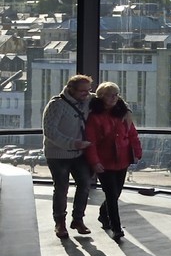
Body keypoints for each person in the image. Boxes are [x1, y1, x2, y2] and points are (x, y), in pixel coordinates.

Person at [84, 81, 142, 242]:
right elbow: (91, 142)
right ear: (101, 96)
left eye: (117, 94)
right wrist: (95, 162)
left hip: (122, 159)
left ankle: (104, 215)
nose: (115, 98)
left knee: (116, 193)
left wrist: (137, 152)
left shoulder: (123, 113)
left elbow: (132, 135)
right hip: (105, 161)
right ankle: (116, 228)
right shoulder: (95, 117)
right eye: (111, 95)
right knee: (111, 194)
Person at [43, 74, 96, 238]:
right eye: (82, 91)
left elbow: (110, 97)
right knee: (61, 188)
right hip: (58, 155)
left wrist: (127, 111)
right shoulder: (56, 105)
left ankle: (78, 219)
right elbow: (50, 131)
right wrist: (72, 143)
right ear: (71, 89)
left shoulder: (88, 99)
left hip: (79, 153)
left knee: (85, 184)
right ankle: (60, 223)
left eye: (88, 90)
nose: (86, 94)